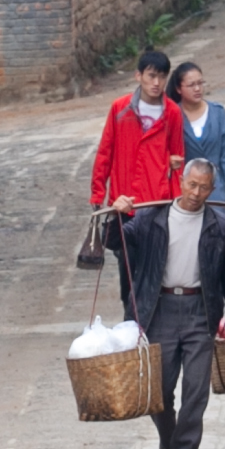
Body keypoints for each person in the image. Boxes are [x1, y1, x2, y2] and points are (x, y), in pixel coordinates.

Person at [121, 158, 225, 449]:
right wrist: (118, 216)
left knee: (196, 387)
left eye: (204, 187)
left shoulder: (219, 225)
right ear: (181, 182)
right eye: (192, 184)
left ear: (211, 189)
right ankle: (169, 436)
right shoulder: (152, 217)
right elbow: (117, 242)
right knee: (159, 390)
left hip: (200, 311)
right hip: (160, 309)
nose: (197, 192)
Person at [87, 49, 186, 289]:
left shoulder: (172, 112)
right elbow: (105, 153)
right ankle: (131, 322)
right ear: (138, 76)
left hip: (158, 205)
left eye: (162, 77)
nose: (156, 83)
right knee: (128, 274)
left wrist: (177, 201)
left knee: (157, 273)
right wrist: (98, 195)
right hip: (125, 205)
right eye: (151, 76)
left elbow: (178, 160)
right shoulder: (120, 109)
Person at [172, 61, 225, 206]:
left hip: (216, 188)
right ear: (178, 88)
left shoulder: (217, 112)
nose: (197, 89)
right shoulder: (172, 115)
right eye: (191, 85)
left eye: (200, 83)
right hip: (186, 191)